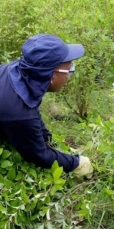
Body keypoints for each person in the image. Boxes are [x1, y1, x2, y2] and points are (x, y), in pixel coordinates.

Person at [0, 34, 93, 178]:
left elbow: (32, 109)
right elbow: (38, 155)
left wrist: (53, 144)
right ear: (51, 76)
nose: (69, 76)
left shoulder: (18, 71)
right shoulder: (19, 114)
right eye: (69, 69)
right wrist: (75, 163)